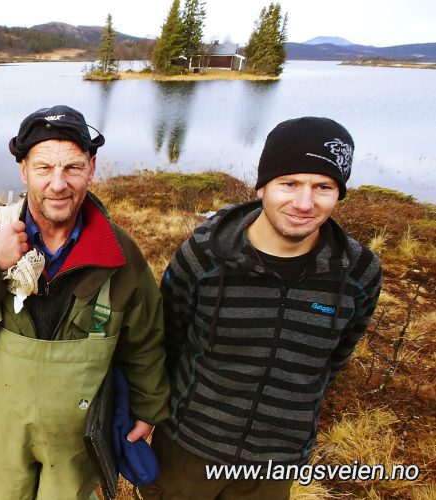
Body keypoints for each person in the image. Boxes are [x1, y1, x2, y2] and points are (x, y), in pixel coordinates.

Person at [0, 105, 170, 499]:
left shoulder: (119, 253)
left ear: (92, 168)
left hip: (76, 438)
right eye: (44, 168)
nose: (58, 183)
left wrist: (148, 408)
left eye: (72, 167)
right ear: (23, 171)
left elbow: (145, 340)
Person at [142, 117, 383, 499]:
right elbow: (166, 340)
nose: (304, 203)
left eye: (323, 187)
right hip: (189, 448)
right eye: (289, 183)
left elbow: (334, 358)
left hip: (275, 461)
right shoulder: (204, 256)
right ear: (263, 186)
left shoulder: (358, 272)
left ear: (339, 193)